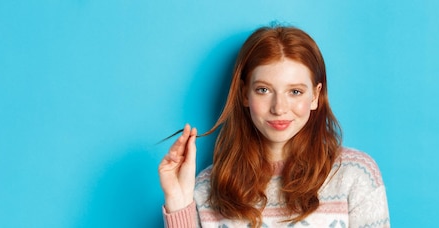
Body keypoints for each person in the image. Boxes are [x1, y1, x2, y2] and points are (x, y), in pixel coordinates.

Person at [158, 25, 390, 228]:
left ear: (315, 97)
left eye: (295, 92)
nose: (279, 108)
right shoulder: (207, 188)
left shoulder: (356, 175)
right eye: (264, 90)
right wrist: (178, 203)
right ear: (244, 94)